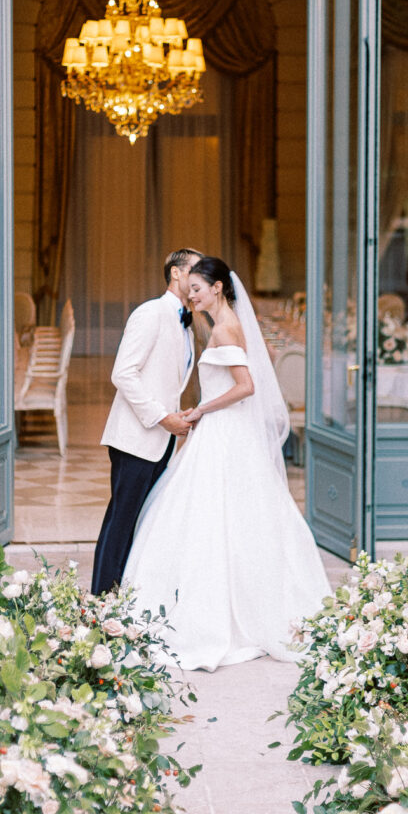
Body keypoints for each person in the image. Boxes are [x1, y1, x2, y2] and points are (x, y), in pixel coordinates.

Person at [123, 256, 331, 671]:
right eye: (190, 289)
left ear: (217, 288)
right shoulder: (224, 324)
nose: (192, 295)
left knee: (213, 516)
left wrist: (201, 410)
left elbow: (247, 386)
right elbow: (257, 365)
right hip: (224, 431)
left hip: (223, 431)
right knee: (221, 516)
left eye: (197, 289)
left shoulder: (227, 327)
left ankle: (226, 613)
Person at [90, 247, 202, 596]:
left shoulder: (188, 323)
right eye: (196, 271)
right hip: (136, 437)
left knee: (144, 521)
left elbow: (167, 380)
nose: (201, 278)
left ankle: (128, 594)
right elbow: (123, 374)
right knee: (121, 521)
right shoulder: (151, 313)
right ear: (176, 273)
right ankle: (101, 600)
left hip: (163, 440)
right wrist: (162, 417)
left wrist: (177, 415)